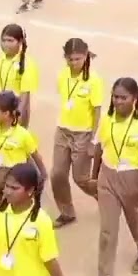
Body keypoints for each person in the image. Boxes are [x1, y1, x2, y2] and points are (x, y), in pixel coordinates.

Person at [91, 78, 138, 276]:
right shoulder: (106, 119)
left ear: (134, 99)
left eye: (123, 97)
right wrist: (95, 177)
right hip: (107, 178)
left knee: (136, 222)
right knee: (107, 231)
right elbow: (99, 149)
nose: (118, 101)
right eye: (115, 96)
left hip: (133, 180)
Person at [0, 163, 70, 276]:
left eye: (14, 188)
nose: (7, 192)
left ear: (30, 191)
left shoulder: (42, 221)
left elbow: (50, 260)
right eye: (6, 186)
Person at [51, 38, 103, 227]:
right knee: (57, 174)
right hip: (63, 130)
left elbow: (97, 111)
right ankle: (66, 212)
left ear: (86, 56)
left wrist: (93, 141)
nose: (74, 63)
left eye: (78, 59)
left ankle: (104, 195)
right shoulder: (62, 75)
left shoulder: (94, 80)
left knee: (80, 178)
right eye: (70, 59)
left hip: (83, 134)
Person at [0, 24, 39, 128]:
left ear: (19, 42)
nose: (6, 44)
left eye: (10, 41)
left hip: (13, 113)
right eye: (4, 40)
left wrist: (17, 119)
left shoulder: (27, 64)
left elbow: (24, 97)